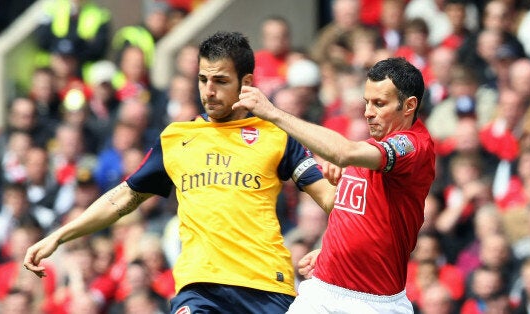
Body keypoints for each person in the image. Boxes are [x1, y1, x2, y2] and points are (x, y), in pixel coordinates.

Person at [23, 31, 337, 313]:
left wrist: (330, 247)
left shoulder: (276, 135)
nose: (209, 91)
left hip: (265, 286)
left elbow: (330, 200)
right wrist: (60, 236)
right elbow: (123, 198)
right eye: (203, 79)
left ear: (247, 83)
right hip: (199, 288)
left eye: (221, 81)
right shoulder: (176, 138)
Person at [234, 56, 436, 313]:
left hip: (375, 303)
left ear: (409, 106)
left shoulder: (412, 146)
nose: (368, 112)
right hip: (323, 291)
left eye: (379, 104)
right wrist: (333, 252)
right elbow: (350, 209)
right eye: (366, 102)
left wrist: (273, 113)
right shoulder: (372, 146)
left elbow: (342, 153)